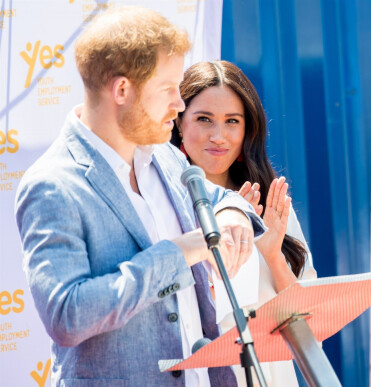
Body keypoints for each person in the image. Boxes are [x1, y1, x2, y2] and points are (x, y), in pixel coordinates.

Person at [15, 6, 264, 386]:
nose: (179, 105)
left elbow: (217, 198)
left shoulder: (160, 155)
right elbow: (66, 316)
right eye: (168, 89)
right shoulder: (52, 184)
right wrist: (177, 254)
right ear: (122, 90)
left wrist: (232, 212)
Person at [171, 60, 317, 386]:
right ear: (179, 123)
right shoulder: (163, 206)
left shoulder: (270, 205)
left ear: (247, 129)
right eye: (204, 119)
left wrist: (270, 254)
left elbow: (308, 322)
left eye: (232, 121)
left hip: (272, 375)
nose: (219, 136)